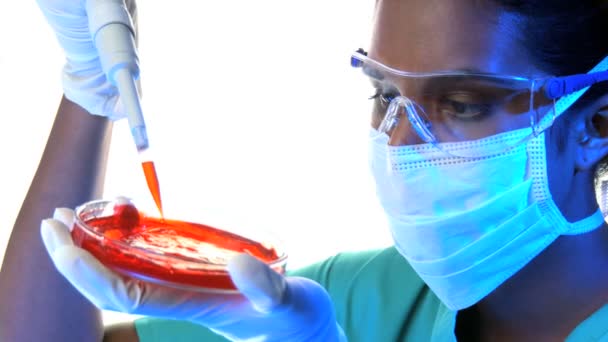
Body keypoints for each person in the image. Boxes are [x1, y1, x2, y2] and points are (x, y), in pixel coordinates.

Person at [2, 0, 608, 340]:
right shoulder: (366, 299)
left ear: (595, 126)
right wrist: (89, 92)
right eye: (383, 96)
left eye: (460, 104)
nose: (397, 141)